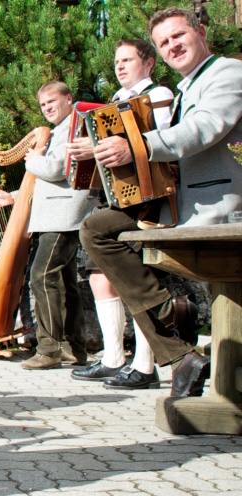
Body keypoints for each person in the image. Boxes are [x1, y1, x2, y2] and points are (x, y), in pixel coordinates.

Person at [81, 7, 242, 398]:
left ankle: (174, 333)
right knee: (97, 228)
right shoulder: (186, 86)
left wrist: (136, 147)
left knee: (98, 231)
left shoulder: (230, 73)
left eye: (178, 36)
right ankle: (174, 330)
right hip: (178, 201)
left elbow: (203, 129)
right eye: (163, 42)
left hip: (219, 207)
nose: (173, 46)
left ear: (201, 31)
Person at [67, 39, 174, 389]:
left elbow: (161, 142)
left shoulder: (158, 97)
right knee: (100, 276)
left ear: (149, 63)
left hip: (147, 199)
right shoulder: (113, 102)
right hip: (114, 197)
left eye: (127, 59)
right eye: (116, 61)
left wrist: (95, 149)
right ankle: (114, 358)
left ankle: (145, 365)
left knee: (132, 276)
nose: (120, 66)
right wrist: (88, 156)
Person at [0, 82, 95, 371]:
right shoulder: (59, 130)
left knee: (41, 275)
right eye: (43, 104)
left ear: (69, 99)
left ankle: (49, 349)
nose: (47, 107)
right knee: (67, 282)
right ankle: (75, 348)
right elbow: (47, 181)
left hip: (65, 214)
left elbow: (56, 169)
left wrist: (33, 160)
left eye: (52, 101)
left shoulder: (74, 125)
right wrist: (11, 197)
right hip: (56, 212)